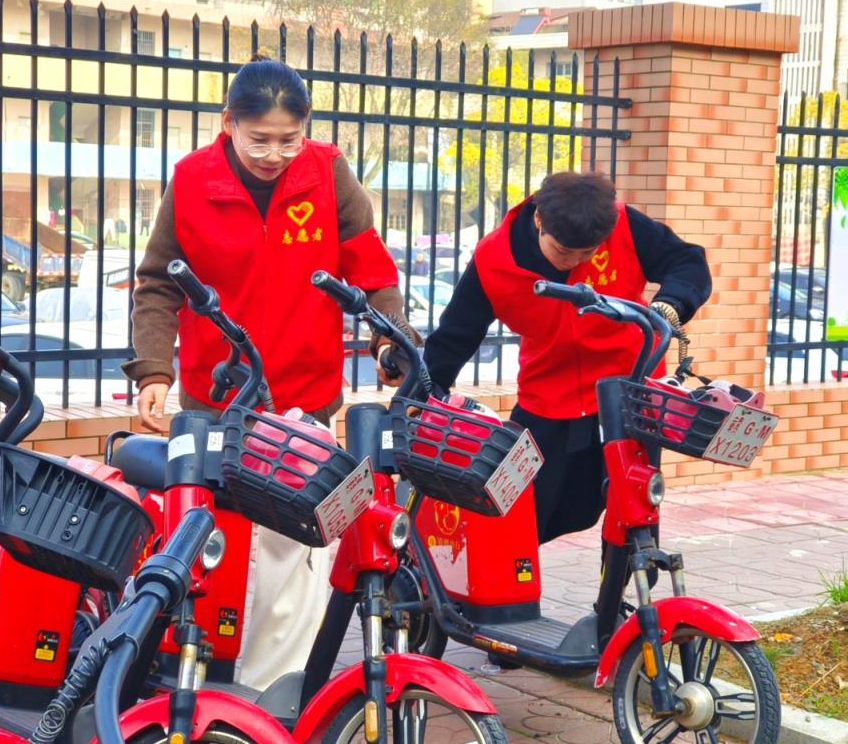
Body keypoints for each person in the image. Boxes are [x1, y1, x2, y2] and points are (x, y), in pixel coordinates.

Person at [122, 55, 414, 690]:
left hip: (302, 397)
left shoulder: (328, 172)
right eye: (260, 139)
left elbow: (369, 266)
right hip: (215, 394)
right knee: (213, 540)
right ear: (228, 123)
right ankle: (196, 674)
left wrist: (391, 337)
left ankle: (270, 690)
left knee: (293, 547)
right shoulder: (192, 180)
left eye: (290, 138)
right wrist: (152, 371)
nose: (276, 153)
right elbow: (156, 284)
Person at [422, 170, 712, 545]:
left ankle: (627, 593)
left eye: (587, 253)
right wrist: (425, 389)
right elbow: (458, 333)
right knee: (522, 514)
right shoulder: (495, 258)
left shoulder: (624, 225)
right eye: (562, 252)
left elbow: (688, 261)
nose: (572, 262)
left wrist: (671, 304)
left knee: (633, 508)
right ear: (539, 220)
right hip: (547, 396)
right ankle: (513, 601)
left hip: (628, 389)